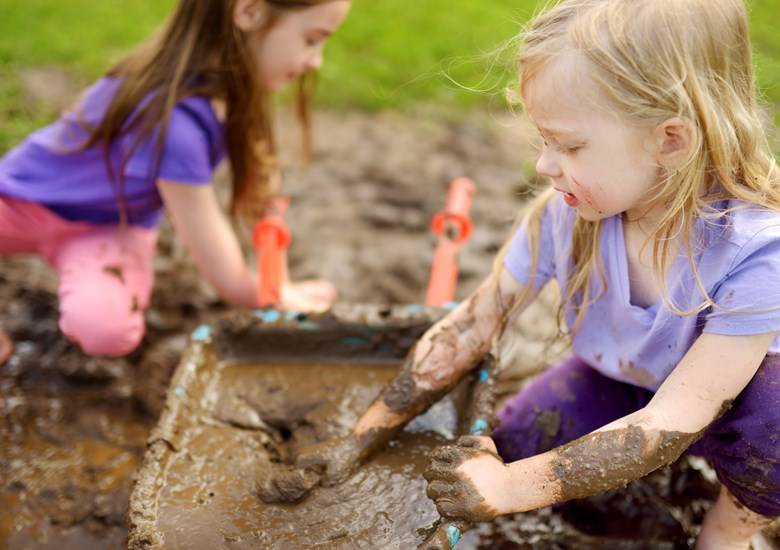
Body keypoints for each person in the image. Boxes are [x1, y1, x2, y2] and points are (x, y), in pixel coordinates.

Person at [285, 1, 780, 548]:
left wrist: (511, 488)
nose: (544, 165)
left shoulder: (756, 253)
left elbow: (676, 418)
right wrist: (363, 436)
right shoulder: (567, 213)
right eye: (544, 140)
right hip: (628, 377)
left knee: (773, 428)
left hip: (737, 405)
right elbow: (472, 324)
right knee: (519, 441)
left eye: (568, 145)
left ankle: (731, 530)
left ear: (670, 141)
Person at [0, 0, 350, 358]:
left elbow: (261, 201)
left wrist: (279, 286)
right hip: (17, 204)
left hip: (107, 227)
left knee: (105, 330)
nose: (316, 60)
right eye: (311, 39)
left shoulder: (231, 93)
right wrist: (272, 298)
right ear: (249, 12)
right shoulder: (171, 119)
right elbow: (214, 253)